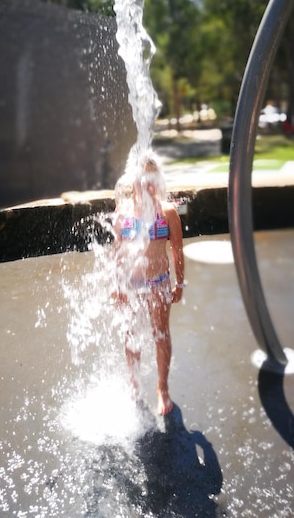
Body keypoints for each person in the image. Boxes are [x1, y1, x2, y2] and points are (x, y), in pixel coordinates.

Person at [112, 154, 185, 416]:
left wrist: (180, 283)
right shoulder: (124, 213)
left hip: (159, 283)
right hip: (132, 283)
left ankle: (162, 388)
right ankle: (134, 383)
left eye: (154, 180)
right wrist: (117, 285)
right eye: (144, 179)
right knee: (131, 334)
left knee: (160, 333)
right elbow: (117, 251)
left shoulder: (167, 213)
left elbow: (177, 250)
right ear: (134, 181)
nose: (149, 185)